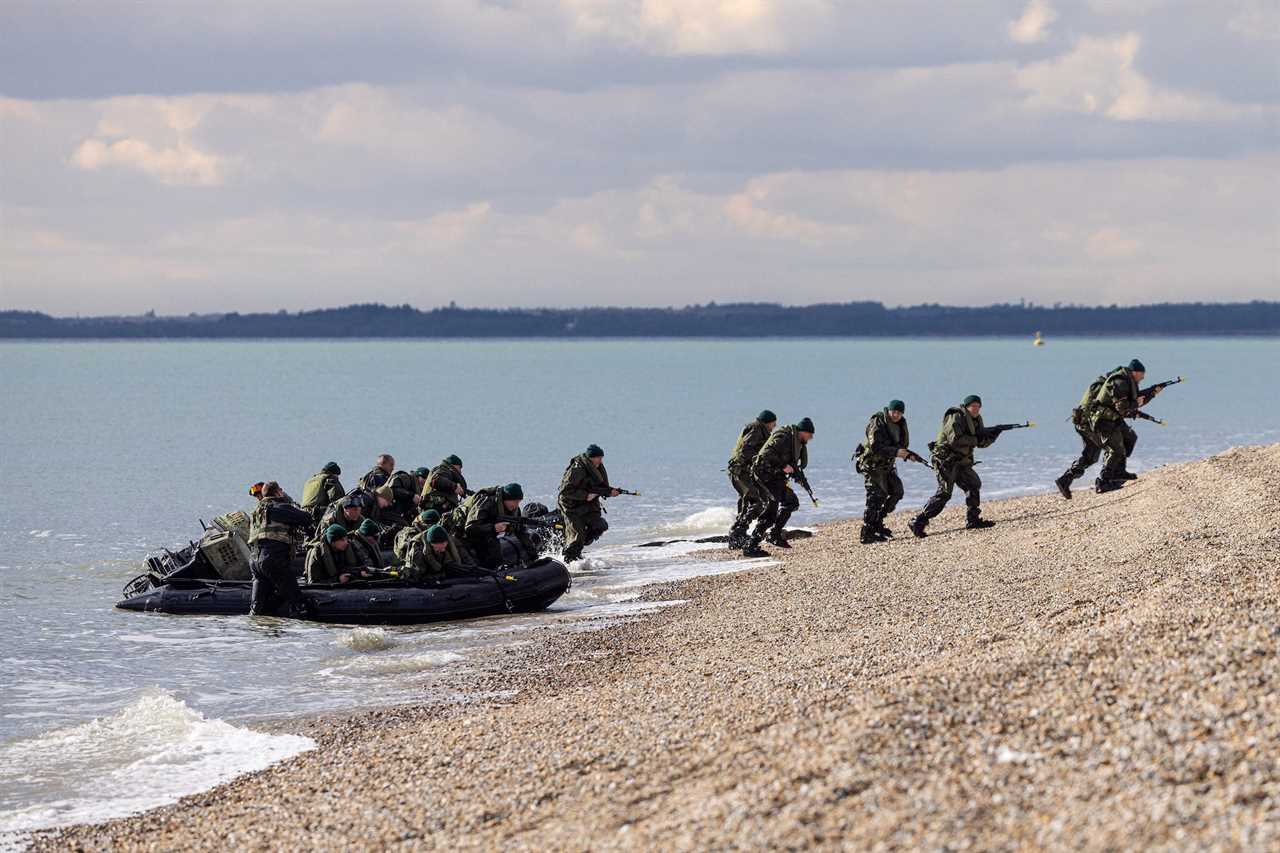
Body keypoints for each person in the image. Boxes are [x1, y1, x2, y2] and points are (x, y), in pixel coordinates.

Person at [1055, 359, 1160, 498]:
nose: (1143, 378)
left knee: (1095, 454)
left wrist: (1151, 394)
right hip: (1092, 422)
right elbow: (1122, 407)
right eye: (1142, 375)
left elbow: (1126, 405)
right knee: (1114, 448)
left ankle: (1066, 480)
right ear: (1134, 373)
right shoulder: (1117, 383)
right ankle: (1104, 481)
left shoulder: (1117, 383)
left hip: (1091, 421)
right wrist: (1136, 404)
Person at [909, 395, 1000, 538]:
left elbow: (979, 443)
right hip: (946, 461)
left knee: (973, 484)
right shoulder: (955, 417)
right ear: (966, 407)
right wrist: (977, 439)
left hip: (961, 461)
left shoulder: (976, 420)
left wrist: (993, 436)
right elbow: (955, 440)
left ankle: (973, 520)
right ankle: (918, 521)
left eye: (978, 406)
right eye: (973, 406)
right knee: (944, 493)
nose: (976, 409)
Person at [744, 417, 815, 557]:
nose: (811, 438)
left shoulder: (796, 441)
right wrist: (783, 466)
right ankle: (758, 542)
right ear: (803, 431)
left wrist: (799, 478)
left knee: (785, 505)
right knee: (779, 508)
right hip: (765, 476)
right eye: (810, 434)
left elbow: (791, 465)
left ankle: (767, 538)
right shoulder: (785, 438)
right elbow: (766, 456)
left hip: (774, 477)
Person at [247, 481, 314, 617]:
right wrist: (286, 500)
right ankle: (301, 632)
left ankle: (259, 634)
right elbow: (307, 518)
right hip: (273, 560)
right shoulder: (278, 507)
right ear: (278, 492)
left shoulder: (256, 512)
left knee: (257, 608)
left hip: (254, 562)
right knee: (297, 603)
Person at [855, 400, 911, 544]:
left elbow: (901, 444)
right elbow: (875, 446)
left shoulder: (900, 424)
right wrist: (896, 451)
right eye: (894, 412)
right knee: (876, 496)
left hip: (887, 465)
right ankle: (867, 532)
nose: (896, 415)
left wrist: (907, 454)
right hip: (872, 465)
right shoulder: (878, 422)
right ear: (889, 411)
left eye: (899, 413)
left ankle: (878, 522)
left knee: (897, 491)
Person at [449, 483, 535, 569]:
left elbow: (521, 531)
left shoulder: (513, 509)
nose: (516, 505)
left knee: (496, 556)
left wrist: (533, 556)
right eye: (515, 502)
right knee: (472, 563)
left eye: (519, 502)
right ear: (506, 499)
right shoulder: (486, 502)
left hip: (484, 534)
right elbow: (470, 528)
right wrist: (494, 528)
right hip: (459, 534)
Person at [557, 444, 618, 563]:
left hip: (588, 505)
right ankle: (569, 560)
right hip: (571, 506)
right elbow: (564, 491)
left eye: (601, 458)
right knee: (577, 535)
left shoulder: (596, 467)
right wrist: (585, 496)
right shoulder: (577, 469)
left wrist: (610, 492)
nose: (601, 461)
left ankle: (576, 550)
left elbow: (600, 487)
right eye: (599, 458)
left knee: (600, 525)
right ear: (591, 458)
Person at [726, 410, 776, 548]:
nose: (774, 426)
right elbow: (746, 450)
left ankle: (737, 534)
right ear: (768, 422)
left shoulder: (758, 429)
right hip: (740, 471)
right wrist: (761, 459)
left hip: (744, 472)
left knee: (749, 501)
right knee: (756, 501)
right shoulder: (756, 429)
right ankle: (738, 533)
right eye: (773, 424)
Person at [402, 524, 474, 584]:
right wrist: (442, 574)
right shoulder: (417, 548)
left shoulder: (450, 540)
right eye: (439, 548)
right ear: (431, 544)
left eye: (444, 547)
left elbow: (466, 559)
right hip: (425, 569)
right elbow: (419, 575)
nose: (442, 550)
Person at [304, 524, 368, 584]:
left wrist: (359, 572)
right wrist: (337, 579)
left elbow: (347, 569)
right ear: (332, 541)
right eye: (342, 540)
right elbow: (313, 581)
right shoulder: (317, 552)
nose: (346, 543)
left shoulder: (344, 549)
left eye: (346, 539)